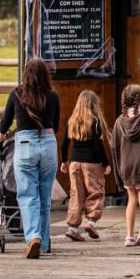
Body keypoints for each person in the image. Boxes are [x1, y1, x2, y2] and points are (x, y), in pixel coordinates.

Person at [0, 57, 61, 259]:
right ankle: (43, 242)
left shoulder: (17, 94)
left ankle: (33, 237)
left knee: (27, 195)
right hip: (49, 144)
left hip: (24, 145)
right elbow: (56, 125)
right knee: (44, 196)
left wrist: (0, 138)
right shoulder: (53, 96)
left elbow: (5, 124)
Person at [60, 89, 114, 243]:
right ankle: (91, 223)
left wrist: (64, 161)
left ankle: (73, 229)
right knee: (95, 192)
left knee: (76, 195)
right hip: (92, 163)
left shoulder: (72, 120)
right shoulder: (95, 121)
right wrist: (105, 163)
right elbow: (98, 146)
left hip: (75, 162)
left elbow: (64, 144)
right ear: (93, 105)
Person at [110, 83, 140, 248]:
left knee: (131, 200)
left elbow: (114, 147)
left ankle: (129, 237)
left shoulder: (118, 122)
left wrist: (119, 171)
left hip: (126, 167)